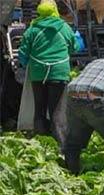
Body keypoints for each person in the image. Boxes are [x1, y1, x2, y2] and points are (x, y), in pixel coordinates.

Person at [18, 0, 80, 135]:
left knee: (39, 109)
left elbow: (23, 53)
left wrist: (24, 65)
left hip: (38, 73)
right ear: (55, 10)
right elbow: (75, 47)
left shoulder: (32, 29)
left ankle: (42, 140)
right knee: (57, 110)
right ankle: (61, 143)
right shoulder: (64, 27)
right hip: (59, 73)